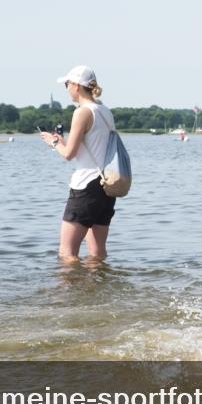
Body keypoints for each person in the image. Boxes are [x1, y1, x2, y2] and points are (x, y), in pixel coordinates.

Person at [40, 66, 117, 262]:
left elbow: (68, 154)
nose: (66, 89)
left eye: (67, 84)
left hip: (85, 187)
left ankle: (72, 293)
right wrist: (64, 143)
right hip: (106, 186)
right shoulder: (105, 111)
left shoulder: (82, 113)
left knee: (67, 253)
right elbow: (90, 150)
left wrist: (54, 141)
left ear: (76, 86)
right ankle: (99, 291)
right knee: (98, 252)